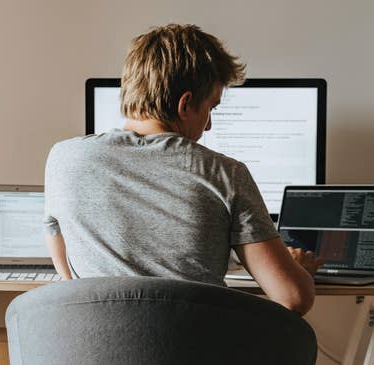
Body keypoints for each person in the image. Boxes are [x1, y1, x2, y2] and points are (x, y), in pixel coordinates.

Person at [43, 24, 323, 315]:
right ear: (185, 104)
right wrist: (298, 271)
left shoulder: (63, 158)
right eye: (211, 108)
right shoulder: (224, 173)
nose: (210, 125)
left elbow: (69, 279)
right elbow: (293, 298)